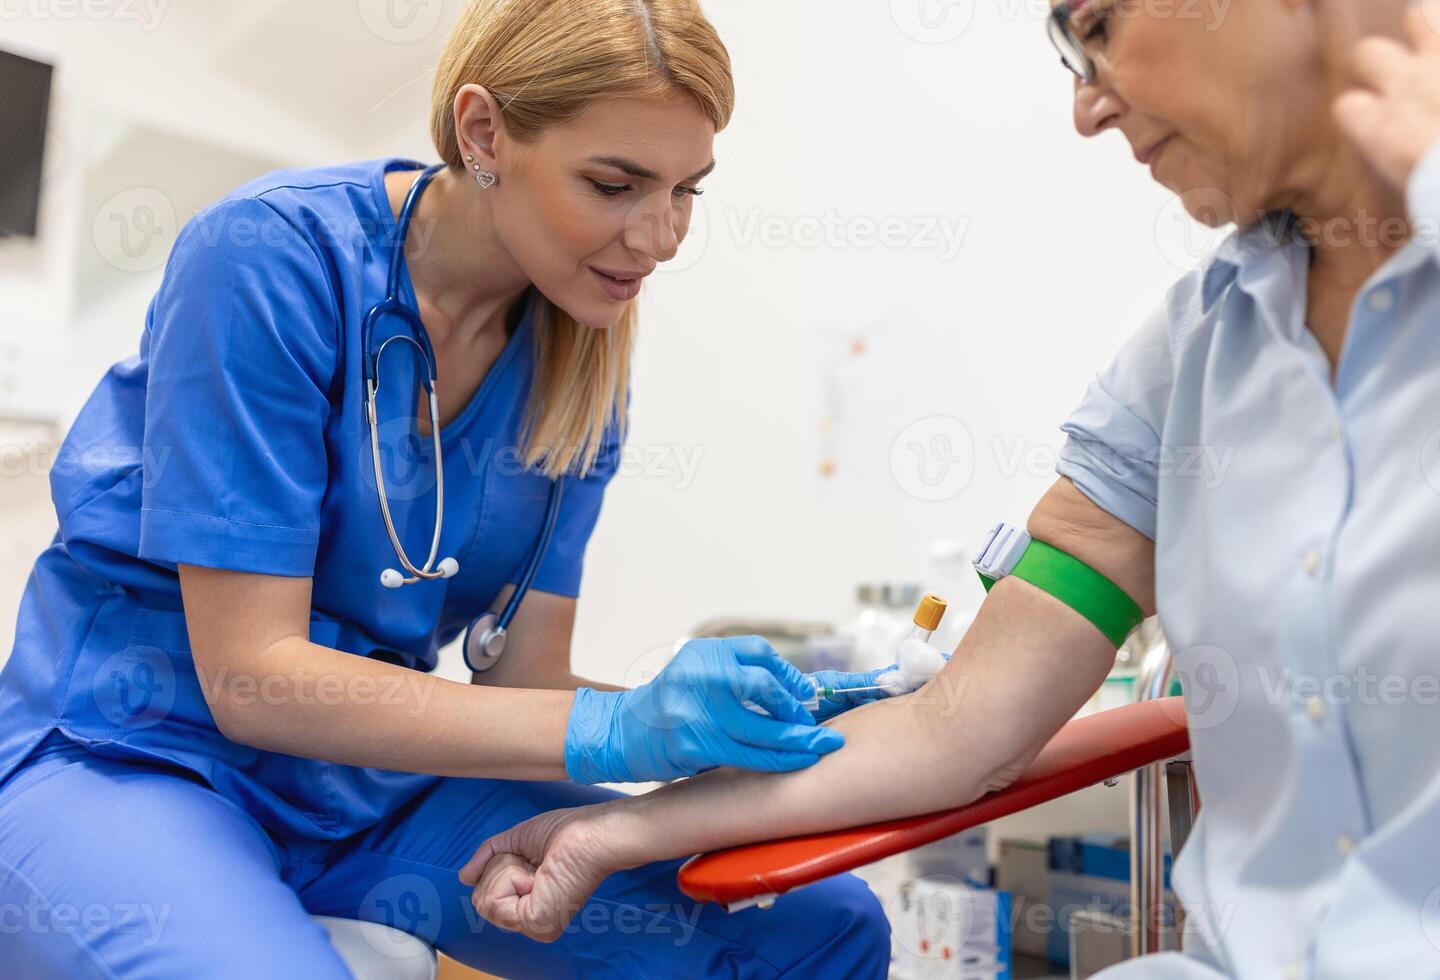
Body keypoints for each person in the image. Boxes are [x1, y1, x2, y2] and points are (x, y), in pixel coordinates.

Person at [460, 1, 1440, 975]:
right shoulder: (1194, 361)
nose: (1087, 106)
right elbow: (958, 728)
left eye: (1100, 25)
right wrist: (611, 827)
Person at [0, 1, 895, 976]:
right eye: (615, 183)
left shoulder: (576, 360)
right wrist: (622, 728)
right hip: (134, 757)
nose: (663, 235)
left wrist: (706, 728)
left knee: (822, 922)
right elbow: (252, 675)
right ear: (483, 134)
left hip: (368, 790)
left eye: (688, 191)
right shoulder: (269, 258)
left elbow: (529, 684)